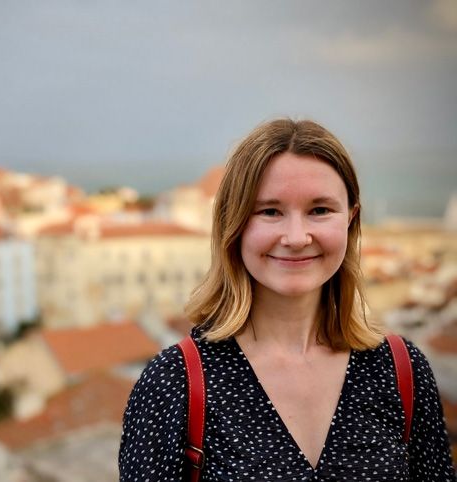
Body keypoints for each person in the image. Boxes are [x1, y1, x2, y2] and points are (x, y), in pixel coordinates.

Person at [118, 118, 455, 481]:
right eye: (270, 211)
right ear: (234, 225)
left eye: (320, 210)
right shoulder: (173, 384)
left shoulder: (400, 371)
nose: (296, 237)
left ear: (351, 220)